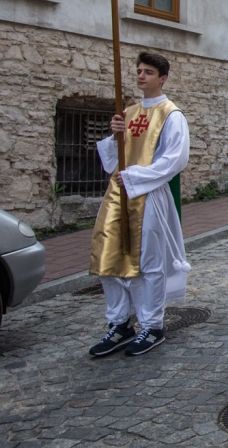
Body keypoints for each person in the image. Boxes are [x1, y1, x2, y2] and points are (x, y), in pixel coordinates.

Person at [88, 52, 190, 358]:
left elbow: (175, 159)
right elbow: (113, 160)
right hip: (118, 193)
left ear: (163, 78)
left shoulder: (171, 115)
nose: (141, 76)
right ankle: (120, 322)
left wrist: (136, 176)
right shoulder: (129, 113)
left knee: (148, 263)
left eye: (148, 72)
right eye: (139, 71)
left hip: (148, 195)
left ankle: (152, 325)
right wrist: (115, 135)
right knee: (108, 258)